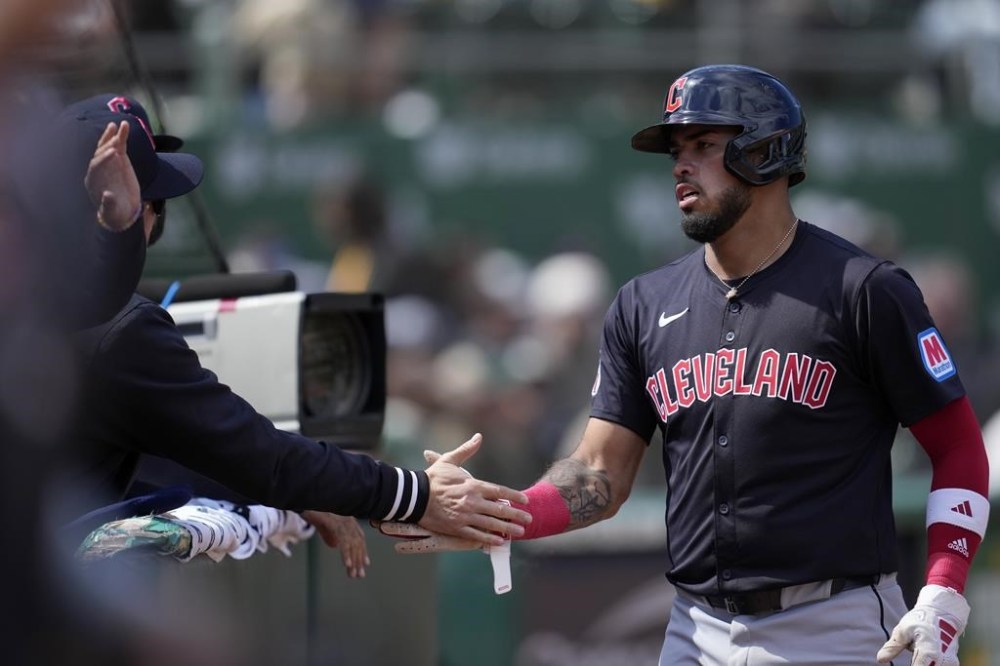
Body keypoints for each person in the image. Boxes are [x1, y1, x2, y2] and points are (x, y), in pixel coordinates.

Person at [380, 65, 990, 665]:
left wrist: (943, 584)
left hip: (834, 626)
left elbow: (958, 446)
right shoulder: (644, 303)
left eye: (703, 145)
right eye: (676, 148)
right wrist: (508, 514)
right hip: (695, 631)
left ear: (766, 152)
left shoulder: (864, 289)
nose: (680, 164)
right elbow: (599, 474)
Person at [58, 94, 531, 561]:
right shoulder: (123, 332)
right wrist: (418, 495)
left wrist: (299, 489)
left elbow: (168, 442)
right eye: (154, 205)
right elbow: (260, 455)